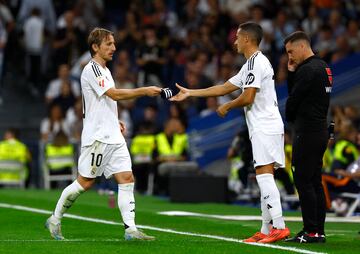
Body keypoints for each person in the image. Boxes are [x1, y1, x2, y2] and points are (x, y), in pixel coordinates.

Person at [171, 22, 289, 243]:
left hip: (265, 125)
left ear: (246, 39)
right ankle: (265, 230)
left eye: (237, 37)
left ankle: (280, 226)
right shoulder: (251, 64)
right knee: (264, 175)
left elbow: (248, 97)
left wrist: (227, 106)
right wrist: (190, 93)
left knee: (264, 175)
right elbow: (224, 87)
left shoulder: (256, 62)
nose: (234, 42)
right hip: (263, 125)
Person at [45, 27, 161, 241]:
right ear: (95, 47)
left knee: (126, 178)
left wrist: (113, 120)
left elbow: (101, 102)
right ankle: (55, 218)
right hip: (97, 138)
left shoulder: (105, 71)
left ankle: (131, 230)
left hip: (113, 136)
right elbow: (113, 94)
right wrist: (144, 90)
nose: (114, 48)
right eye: (109, 44)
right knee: (85, 183)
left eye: (114, 44)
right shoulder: (92, 69)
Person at [284, 31, 332, 243]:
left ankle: (310, 231)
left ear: (302, 46)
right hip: (320, 129)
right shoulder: (324, 67)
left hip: (307, 131)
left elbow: (293, 100)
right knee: (314, 181)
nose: (290, 57)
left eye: (291, 51)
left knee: (303, 182)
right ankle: (318, 231)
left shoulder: (308, 69)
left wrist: (292, 74)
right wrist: (293, 71)